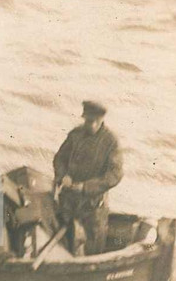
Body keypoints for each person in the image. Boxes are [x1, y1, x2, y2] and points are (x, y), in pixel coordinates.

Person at [53, 100, 124, 255]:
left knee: (94, 246)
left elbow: (115, 174)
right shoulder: (75, 134)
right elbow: (60, 158)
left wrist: (86, 187)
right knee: (64, 243)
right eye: (88, 121)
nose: (91, 125)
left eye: (95, 122)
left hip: (93, 205)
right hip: (69, 201)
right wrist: (63, 176)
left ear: (101, 120)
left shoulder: (111, 142)